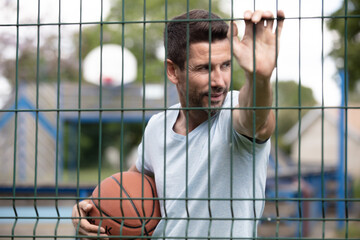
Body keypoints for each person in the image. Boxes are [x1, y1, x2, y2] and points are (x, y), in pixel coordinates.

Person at [72, 9, 284, 239]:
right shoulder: (157, 126)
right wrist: (90, 209)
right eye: (204, 68)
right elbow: (131, 184)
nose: (219, 81)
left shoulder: (235, 111)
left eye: (225, 65)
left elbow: (257, 121)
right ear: (173, 71)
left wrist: (260, 78)